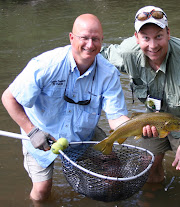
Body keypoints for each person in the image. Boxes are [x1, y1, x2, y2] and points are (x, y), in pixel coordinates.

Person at [1, 14, 131, 202]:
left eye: (95, 39)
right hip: (40, 134)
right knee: (42, 191)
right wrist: (32, 131)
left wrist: (139, 128)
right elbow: (9, 97)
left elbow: (116, 118)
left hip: (82, 134)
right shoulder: (46, 65)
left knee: (113, 170)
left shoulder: (108, 74)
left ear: (102, 40)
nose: (90, 44)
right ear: (71, 38)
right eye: (84, 38)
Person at [101, 5, 180, 195]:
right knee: (149, 167)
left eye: (158, 36)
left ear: (168, 33)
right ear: (136, 37)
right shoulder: (127, 53)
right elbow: (94, 52)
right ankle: (153, 198)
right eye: (145, 38)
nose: (153, 45)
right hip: (153, 120)